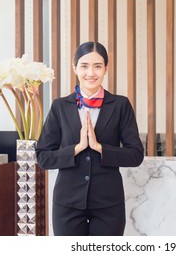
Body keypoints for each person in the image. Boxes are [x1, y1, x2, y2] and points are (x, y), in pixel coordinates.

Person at [36, 41, 144, 236]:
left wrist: (99, 147)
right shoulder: (60, 106)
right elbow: (43, 157)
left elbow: (136, 155)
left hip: (108, 204)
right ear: (75, 68)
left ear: (106, 69)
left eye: (97, 66)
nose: (90, 73)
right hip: (67, 203)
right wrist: (77, 148)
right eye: (84, 66)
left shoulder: (120, 105)